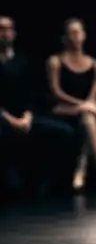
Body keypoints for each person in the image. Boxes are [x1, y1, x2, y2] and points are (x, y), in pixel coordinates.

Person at [0, 16, 75, 196]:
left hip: (24, 116)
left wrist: (27, 116)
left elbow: (32, 93)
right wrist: (10, 120)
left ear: (14, 33)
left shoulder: (24, 60)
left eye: (7, 29)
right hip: (3, 117)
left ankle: (47, 183)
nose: (4, 33)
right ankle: (10, 182)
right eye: (0, 29)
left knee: (64, 131)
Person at [47, 18, 96, 190]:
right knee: (90, 115)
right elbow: (56, 91)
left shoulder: (94, 64)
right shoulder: (55, 61)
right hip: (63, 108)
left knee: (89, 120)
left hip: (87, 111)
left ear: (84, 36)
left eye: (79, 32)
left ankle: (82, 168)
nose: (76, 37)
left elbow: (94, 93)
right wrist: (82, 105)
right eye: (72, 33)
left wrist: (88, 105)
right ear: (64, 37)